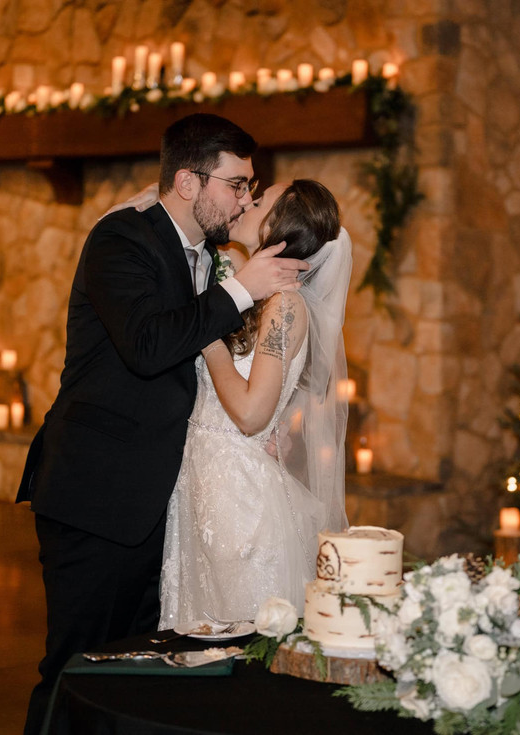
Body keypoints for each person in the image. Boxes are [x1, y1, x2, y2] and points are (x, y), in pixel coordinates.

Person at [15, 113, 308, 735]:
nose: (245, 200)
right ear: (187, 181)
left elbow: (233, 365)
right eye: (236, 185)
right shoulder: (120, 240)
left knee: (140, 680)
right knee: (75, 668)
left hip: (170, 505)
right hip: (97, 494)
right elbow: (148, 346)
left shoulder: (213, 255)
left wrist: (271, 422)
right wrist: (240, 291)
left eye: (251, 187)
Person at [158, 179, 352, 629]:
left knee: (239, 635)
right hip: (205, 484)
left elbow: (250, 414)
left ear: (278, 227)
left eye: (259, 200)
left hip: (239, 499)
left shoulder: (285, 306)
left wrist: (207, 340)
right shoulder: (252, 294)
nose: (246, 200)